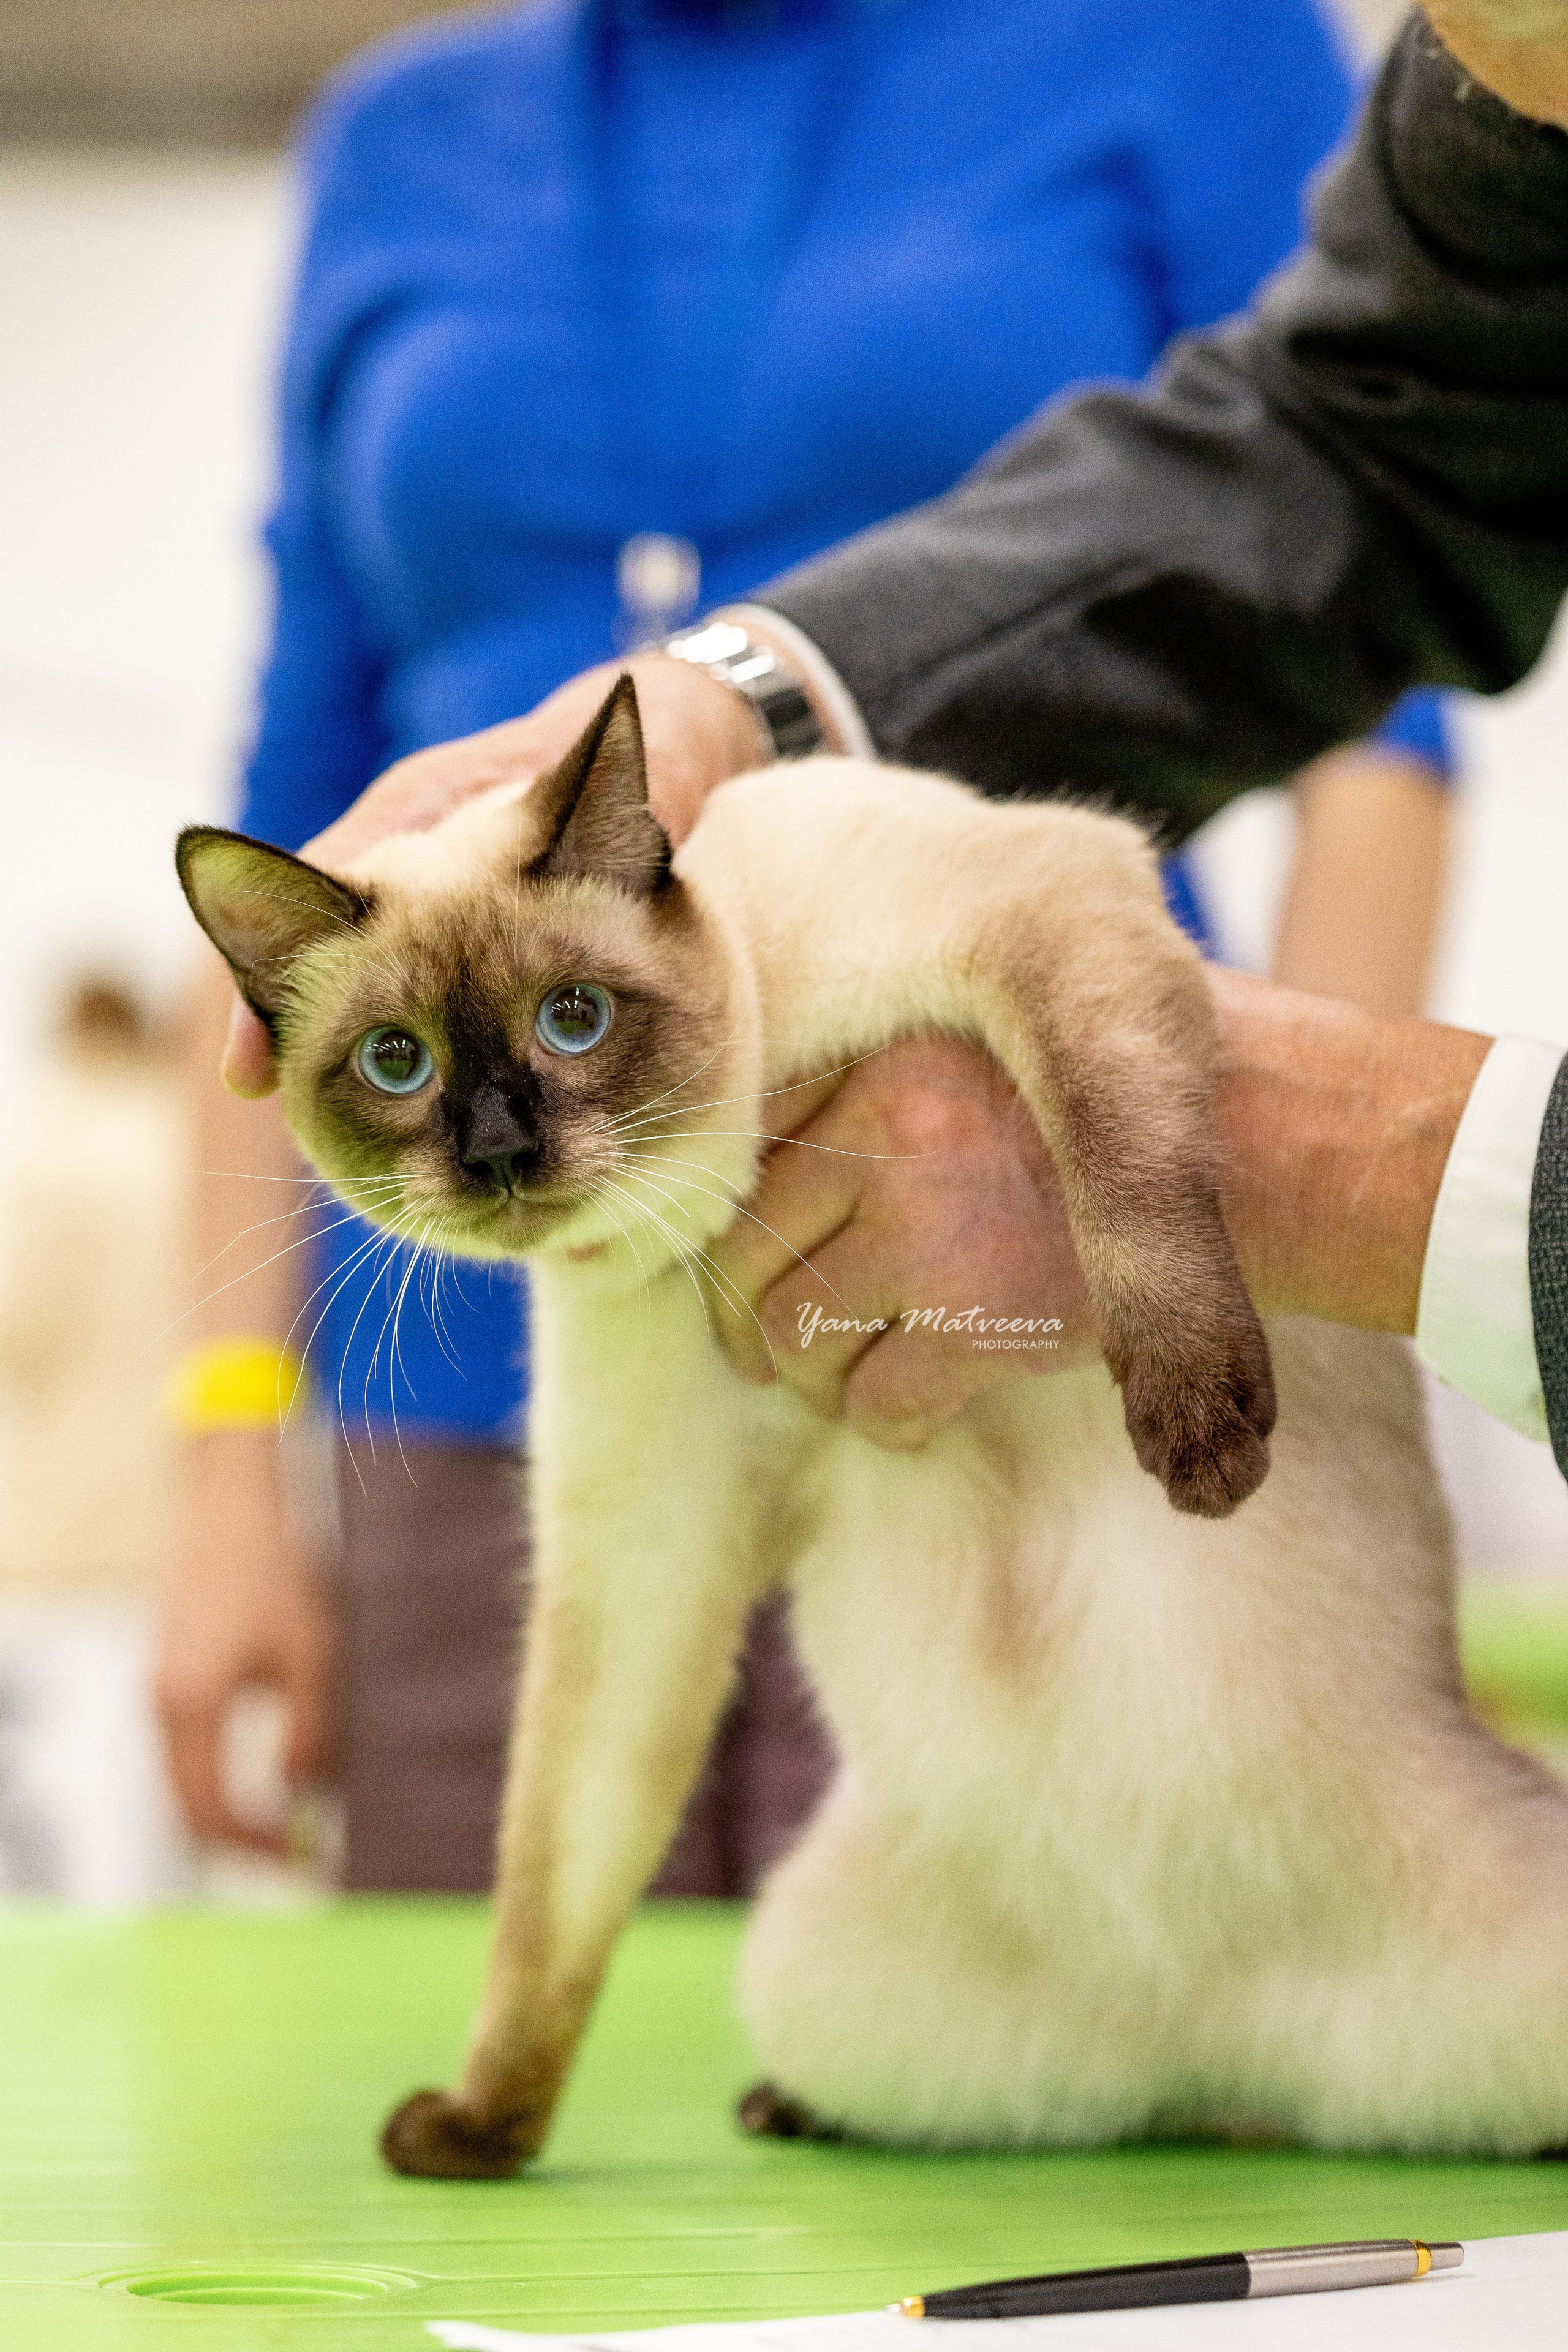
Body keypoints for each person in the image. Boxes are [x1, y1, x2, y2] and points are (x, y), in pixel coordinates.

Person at [162, 0, 1441, 1882]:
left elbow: (1371, 698)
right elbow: (292, 831)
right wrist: (221, 1456)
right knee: (514, 2061)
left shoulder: (1187, 44)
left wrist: (1271, 1262)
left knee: (1076, 2018)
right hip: (474, 1392)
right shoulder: (396, 136)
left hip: (1010, 1295)